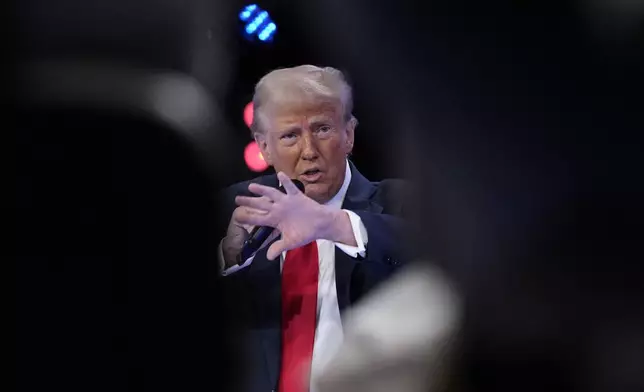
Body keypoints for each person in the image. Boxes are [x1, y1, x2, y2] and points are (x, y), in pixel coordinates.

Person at [218, 65, 409, 392]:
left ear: (348, 134)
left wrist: (332, 222)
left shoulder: (402, 202)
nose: (309, 151)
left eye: (322, 129)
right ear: (264, 146)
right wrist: (229, 254)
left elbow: (430, 261)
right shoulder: (233, 208)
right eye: (290, 135)